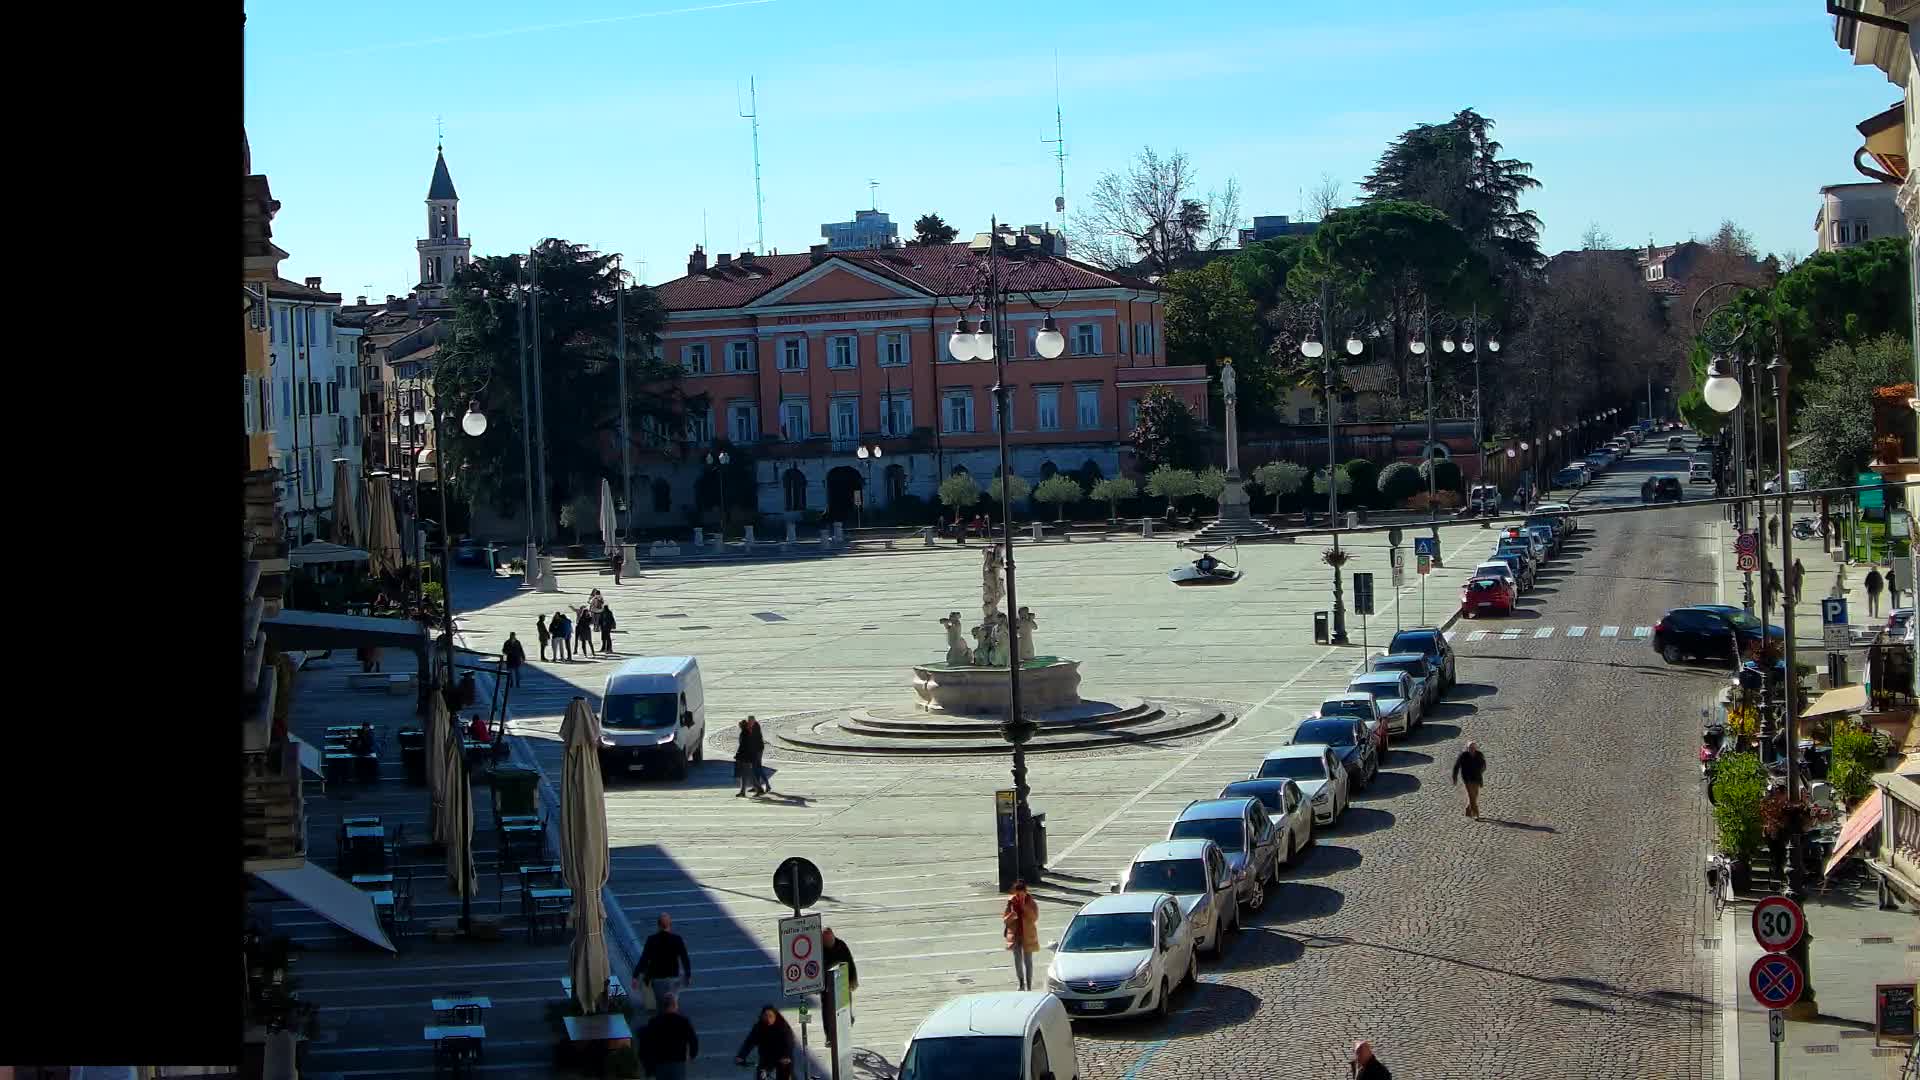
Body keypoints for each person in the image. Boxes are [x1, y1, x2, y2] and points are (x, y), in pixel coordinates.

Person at [636, 912, 693, 1012]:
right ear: (670, 925)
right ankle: (673, 1007)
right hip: (673, 977)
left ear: (658, 926)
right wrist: (688, 975)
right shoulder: (677, 939)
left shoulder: (651, 940)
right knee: (673, 999)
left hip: (657, 978)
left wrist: (635, 976)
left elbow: (644, 959)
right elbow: (684, 958)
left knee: (660, 1004)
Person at [639, 993, 699, 1080]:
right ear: (675, 1005)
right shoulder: (683, 1021)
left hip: (660, 1062)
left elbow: (646, 1043)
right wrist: (692, 1055)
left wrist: (648, 1065)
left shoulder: (654, 1022)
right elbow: (693, 1040)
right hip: (678, 1061)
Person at [733, 1005, 795, 1080]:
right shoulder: (759, 1027)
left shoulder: (783, 1027)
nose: (768, 1019)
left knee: (785, 1074)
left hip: (782, 1057)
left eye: (771, 1016)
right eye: (765, 1016)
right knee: (761, 1075)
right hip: (766, 1058)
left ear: (776, 1016)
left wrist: (786, 1055)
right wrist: (741, 1056)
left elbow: (789, 1043)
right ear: (762, 1017)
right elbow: (750, 1042)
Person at [1003, 879, 1040, 990]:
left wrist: (1025, 908)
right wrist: (1011, 916)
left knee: (1028, 961)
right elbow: (1005, 920)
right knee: (1017, 960)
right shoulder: (1011, 902)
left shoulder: (1031, 902)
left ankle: (1029, 985)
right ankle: (1021, 983)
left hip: (1028, 935)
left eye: (1021, 894)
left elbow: (1034, 918)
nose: (1019, 896)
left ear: (1025, 892)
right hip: (1015, 935)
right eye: (1017, 894)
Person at [1451, 741, 1487, 818]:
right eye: (1470, 748)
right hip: (1467, 779)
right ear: (1467, 748)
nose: (1472, 749)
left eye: (1473, 748)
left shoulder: (1479, 755)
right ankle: (1476, 814)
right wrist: (1454, 777)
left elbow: (1484, 764)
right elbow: (1456, 766)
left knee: (1475, 795)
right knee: (1471, 796)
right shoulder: (1463, 756)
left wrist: (1481, 771)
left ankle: (1468, 809)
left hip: (1477, 778)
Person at [735, 716, 767, 797]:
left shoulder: (745, 733)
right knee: (744, 774)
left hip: (745, 757)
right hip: (746, 756)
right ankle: (742, 792)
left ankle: (759, 789)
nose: (739, 726)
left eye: (740, 725)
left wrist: (738, 755)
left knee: (749, 774)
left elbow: (743, 746)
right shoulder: (746, 732)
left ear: (742, 726)